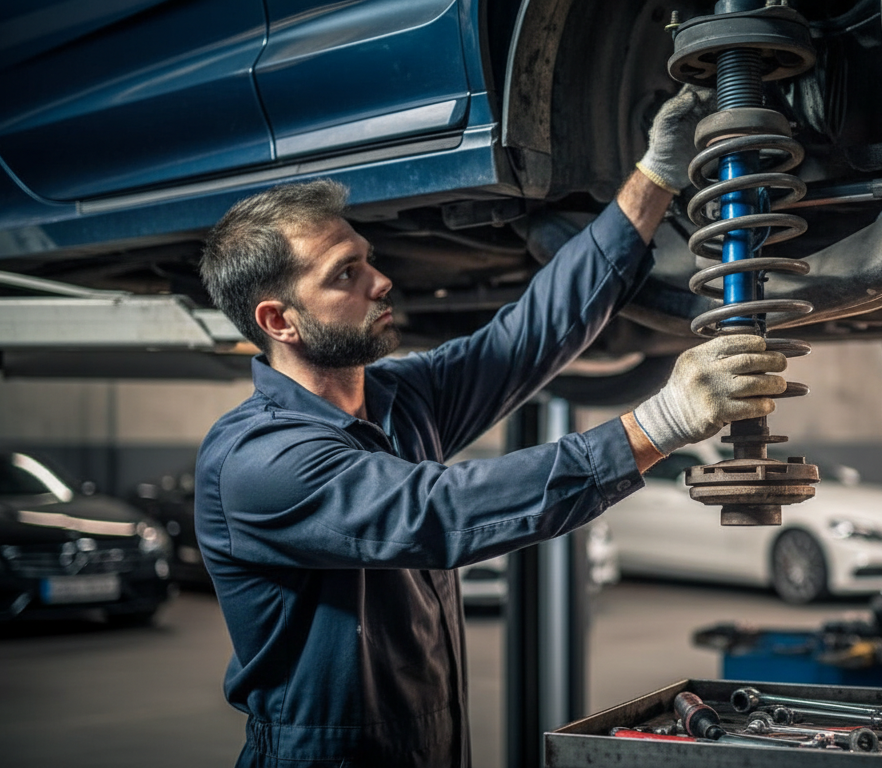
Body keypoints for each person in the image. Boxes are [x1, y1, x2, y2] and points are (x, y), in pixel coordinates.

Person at [193, 85, 789, 768]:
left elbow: (525, 337)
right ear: (279, 321)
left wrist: (654, 174)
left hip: (432, 742)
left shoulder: (395, 399)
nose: (381, 282)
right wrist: (662, 421)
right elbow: (437, 513)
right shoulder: (255, 461)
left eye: (368, 257)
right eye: (346, 275)